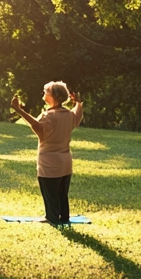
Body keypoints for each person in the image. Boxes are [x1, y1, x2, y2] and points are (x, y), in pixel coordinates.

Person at [11, 82, 85, 224]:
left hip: (49, 162)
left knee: (50, 194)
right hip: (65, 162)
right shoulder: (69, 115)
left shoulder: (48, 116)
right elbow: (78, 114)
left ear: (53, 96)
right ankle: (64, 216)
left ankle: (51, 217)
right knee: (62, 193)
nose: (43, 93)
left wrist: (19, 110)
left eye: (46, 92)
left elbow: (38, 128)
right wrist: (78, 103)